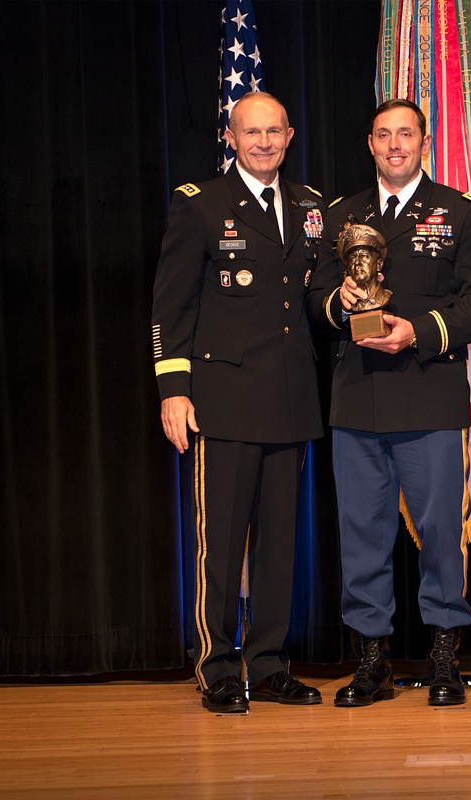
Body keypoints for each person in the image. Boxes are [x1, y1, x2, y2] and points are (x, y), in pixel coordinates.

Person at [307, 98, 471, 708]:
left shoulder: (460, 213)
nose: (395, 145)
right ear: (370, 143)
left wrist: (418, 331)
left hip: (428, 397)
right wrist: (341, 302)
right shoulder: (342, 215)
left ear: (426, 141)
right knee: (361, 532)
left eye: (407, 134)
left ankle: (445, 652)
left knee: (443, 531)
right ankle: (374, 660)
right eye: (384, 135)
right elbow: (314, 296)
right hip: (358, 400)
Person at [151, 91, 325, 714]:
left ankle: (271, 663)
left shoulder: (310, 207)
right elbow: (170, 308)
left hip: (289, 399)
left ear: (290, 134)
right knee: (220, 546)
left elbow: (309, 297)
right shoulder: (200, 205)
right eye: (250, 132)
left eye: (273, 131)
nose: (263, 142)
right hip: (221, 401)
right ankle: (217, 665)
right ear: (231, 136)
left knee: (280, 547)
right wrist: (174, 389)